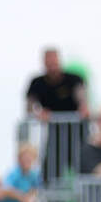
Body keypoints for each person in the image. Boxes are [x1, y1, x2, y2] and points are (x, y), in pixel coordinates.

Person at [25, 47, 87, 184]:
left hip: (77, 132)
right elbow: (29, 108)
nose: (52, 65)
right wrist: (39, 113)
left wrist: (82, 110)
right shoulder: (37, 83)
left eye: (54, 61)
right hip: (54, 134)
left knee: (82, 165)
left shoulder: (74, 79)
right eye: (49, 62)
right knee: (51, 170)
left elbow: (83, 104)